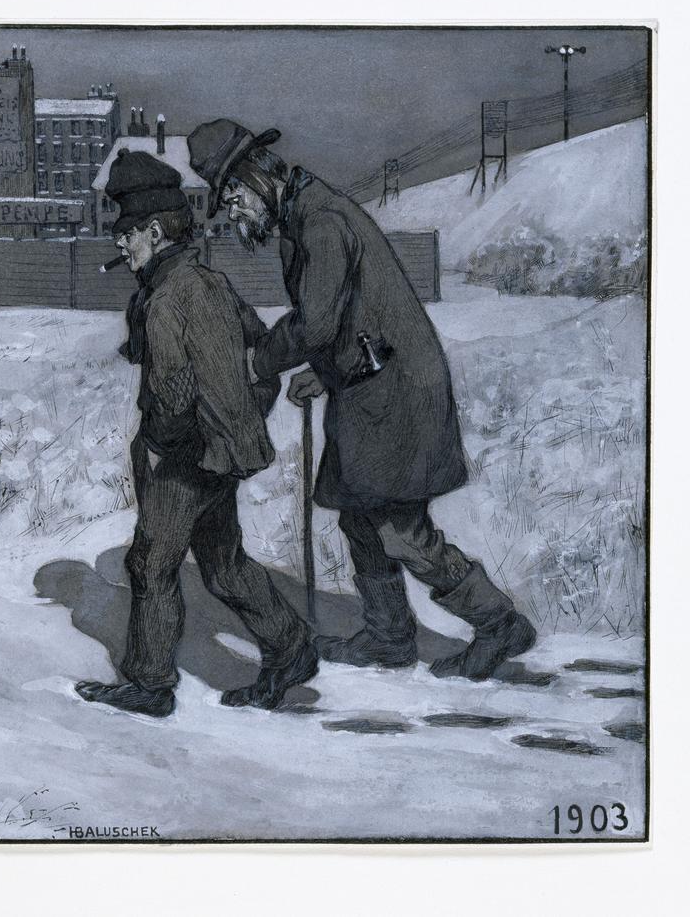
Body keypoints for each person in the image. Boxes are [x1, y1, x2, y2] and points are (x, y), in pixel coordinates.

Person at [186, 118, 536, 681]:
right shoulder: (303, 217)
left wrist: (259, 360)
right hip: (368, 384)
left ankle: (499, 623)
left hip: (398, 393)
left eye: (233, 195)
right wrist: (323, 375)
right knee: (357, 516)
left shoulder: (321, 222)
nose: (233, 210)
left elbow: (318, 323)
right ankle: (389, 635)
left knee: (400, 532)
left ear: (257, 176)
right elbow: (353, 314)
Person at [74, 149, 318, 718]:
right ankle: (291, 647)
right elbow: (261, 349)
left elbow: (174, 397)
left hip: (185, 454)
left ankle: (150, 683)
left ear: (155, 233)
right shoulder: (209, 280)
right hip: (220, 450)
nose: (120, 244)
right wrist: (244, 416)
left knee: (151, 563)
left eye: (128, 234)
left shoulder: (164, 301)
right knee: (223, 562)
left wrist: (158, 449)